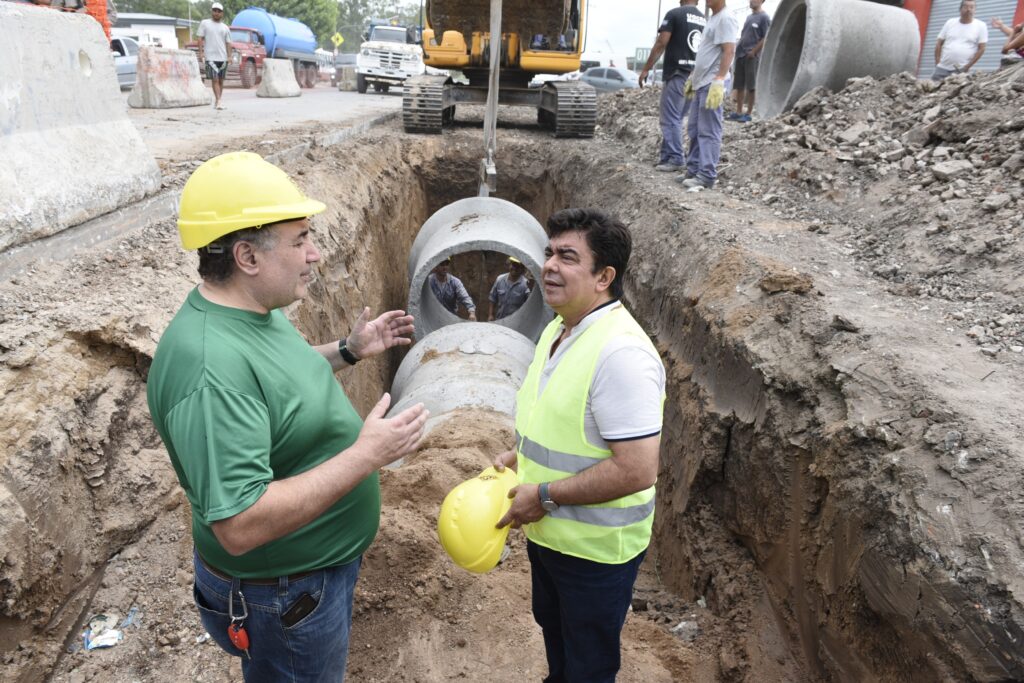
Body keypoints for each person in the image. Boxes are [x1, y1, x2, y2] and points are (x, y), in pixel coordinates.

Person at [147, 151, 428, 682]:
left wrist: (347, 350)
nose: (315, 254)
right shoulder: (211, 368)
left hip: (307, 579)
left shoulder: (251, 311)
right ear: (247, 256)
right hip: (284, 596)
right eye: (300, 240)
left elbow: (275, 380)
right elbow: (238, 523)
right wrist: (367, 455)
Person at [493, 208, 666, 683]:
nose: (549, 264)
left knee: (588, 665)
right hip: (550, 535)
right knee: (558, 638)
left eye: (567, 256)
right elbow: (564, 420)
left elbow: (636, 469)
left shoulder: (621, 354)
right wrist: (520, 456)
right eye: (549, 252)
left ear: (604, 276)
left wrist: (544, 495)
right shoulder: (559, 327)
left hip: (595, 552)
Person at [677, 0, 739, 191]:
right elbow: (707, 52)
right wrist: (693, 76)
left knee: (709, 130)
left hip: (712, 83)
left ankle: (706, 175)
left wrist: (719, 79)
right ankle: (694, 169)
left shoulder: (726, 19)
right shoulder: (713, 18)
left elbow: (729, 50)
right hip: (701, 83)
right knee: (695, 128)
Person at [638, 0, 706, 173]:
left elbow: (662, 42)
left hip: (677, 73)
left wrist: (646, 69)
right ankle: (666, 157)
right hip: (693, 76)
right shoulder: (703, 19)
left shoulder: (674, 14)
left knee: (670, 118)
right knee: (676, 118)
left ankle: (676, 158)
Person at [727, 0, 771, 123]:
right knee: (739, 85)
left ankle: (749, 113)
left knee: (751, 85)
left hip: (752, 56)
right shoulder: (749, 17)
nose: (752, 1)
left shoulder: (764, 17)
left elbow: (766, 37)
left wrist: (754, 51)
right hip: (741, 55)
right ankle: (739, 111)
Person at [932, 0, 988, 81]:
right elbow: (939, 43)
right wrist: (937, 63)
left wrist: (967, 66)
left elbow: (982, 48)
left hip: (960, 70)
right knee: (932, 90)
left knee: (953, 92)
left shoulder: (981, 26)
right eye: (966, 6)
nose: (968, 9)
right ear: (960, 9)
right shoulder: (950, 22)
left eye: (972, 7)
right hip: (942, 68)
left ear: (975, 10)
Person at [198, 2, 232, 109]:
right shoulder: (205, 23)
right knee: (215, 79)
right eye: (214, 11)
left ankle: (218, 102)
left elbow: (228, 43)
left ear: (222, 13)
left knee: (221, 80)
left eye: (219, 11)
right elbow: (200, 38)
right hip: (210, 57)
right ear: (212, 11)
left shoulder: (225, 27)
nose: (216, 13)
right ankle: (218, 101)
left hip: (223, 57)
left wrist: (230, 56)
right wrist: (201, 52)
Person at [488, 256, 532, 320]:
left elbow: (529, 305)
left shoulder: (525, 285)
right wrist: (490, 315)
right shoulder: (500, 279)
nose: (514, 268)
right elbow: (492, 298)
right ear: (509, 265)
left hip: (516, 322)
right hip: (500, 319)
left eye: (517, 266)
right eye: (513, 265)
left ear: (522, 269)